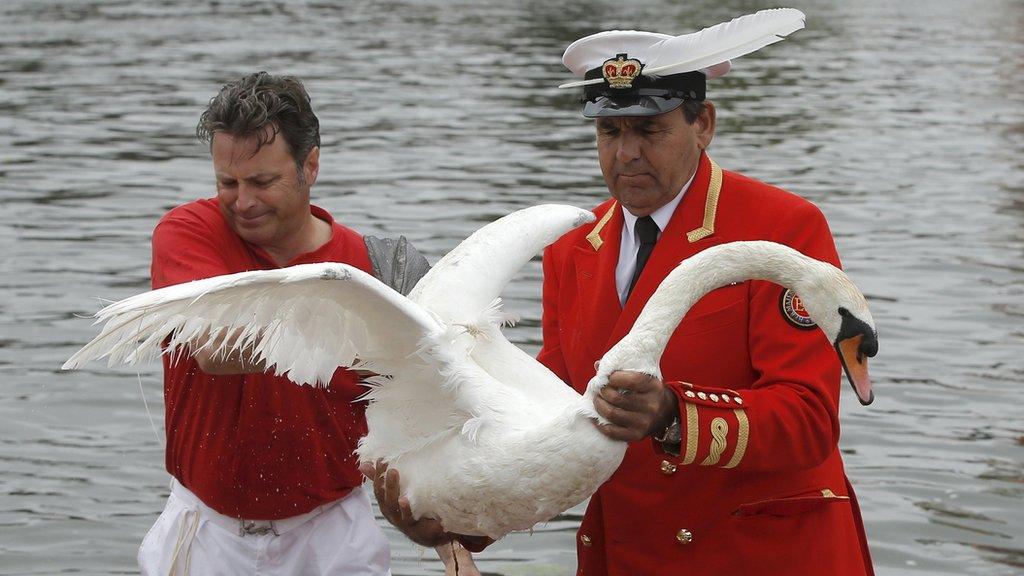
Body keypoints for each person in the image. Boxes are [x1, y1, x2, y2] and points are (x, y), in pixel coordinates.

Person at [533, 20, 876, 576]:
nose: (625, 154)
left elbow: (810, 420)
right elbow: (550, 407)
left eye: (649, 130)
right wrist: (465, 512)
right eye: (608, 131)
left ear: (704, 125)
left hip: (757, 558)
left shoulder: (782, 228)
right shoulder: (570, 248)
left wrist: (673, 414)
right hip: (628, 555)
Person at [139, 71, 437, 575]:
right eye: (226, 183)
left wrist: (451, 547)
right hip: (208, 532)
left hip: (334, 533)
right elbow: (215, 349)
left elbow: (429, 414)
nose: (243, 201)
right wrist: (364, 326)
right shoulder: (188, 231)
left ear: (311, 165)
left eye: (262, 181)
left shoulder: (378, 268)